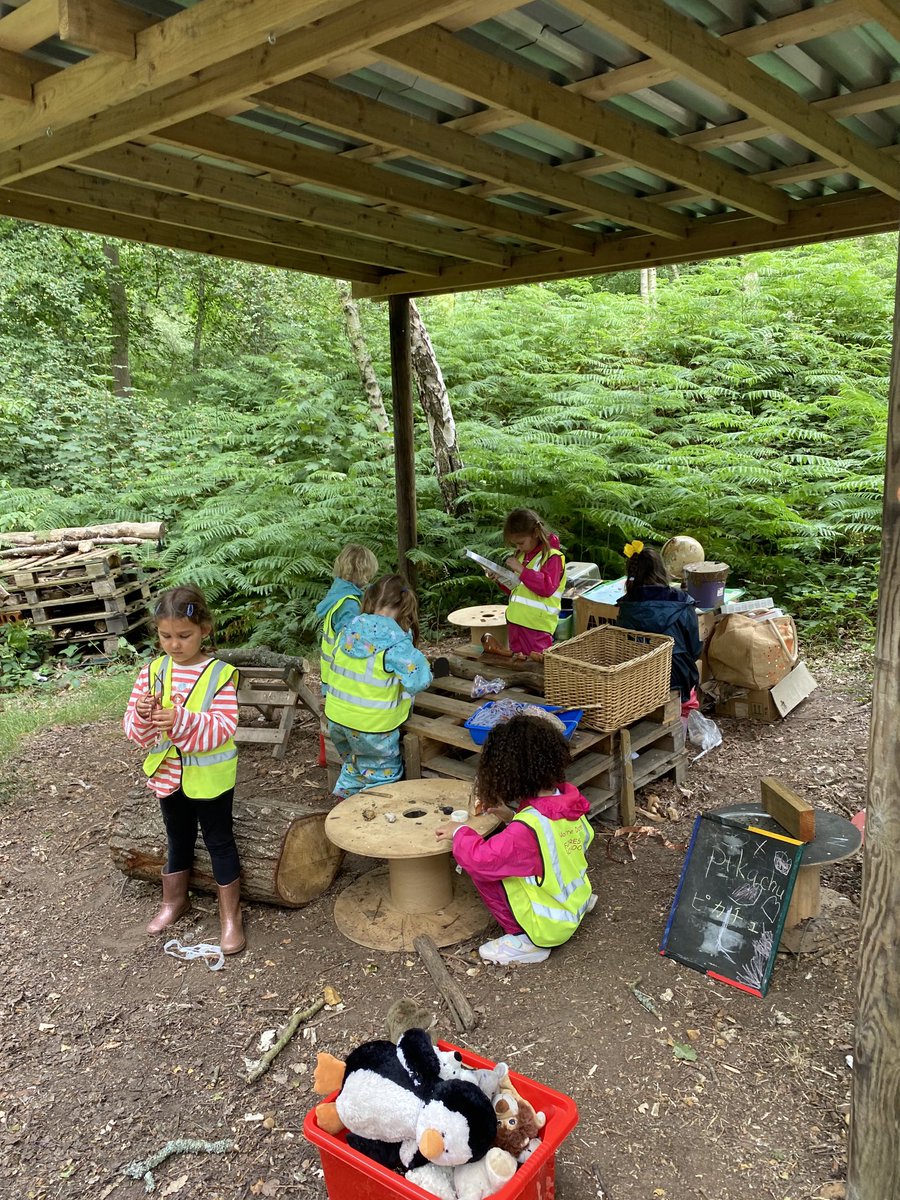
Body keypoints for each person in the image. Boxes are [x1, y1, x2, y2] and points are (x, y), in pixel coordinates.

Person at [123, 585, 245, 954]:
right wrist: (143, 716)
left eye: (184, 636)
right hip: (167, 775)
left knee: (219, 841)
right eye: (166, 636)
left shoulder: (220, 674)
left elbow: (224, 726)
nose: (174, 644)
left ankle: (230, 917)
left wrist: (181, 718)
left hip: (210, 778)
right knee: (177, 839)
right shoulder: (153, 672)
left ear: (204, 630)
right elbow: (133, 729)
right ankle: (174, 902)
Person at [435, 714, 594, 966]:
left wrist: (459, 832)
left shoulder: (526, 830)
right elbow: (556, 841)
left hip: (548, 928)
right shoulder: (568, 799)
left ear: (512, 774)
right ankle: (570, 911)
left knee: (485, 873)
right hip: (575, 902)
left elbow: (480, 860)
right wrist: (509, 815)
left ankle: (525, 940)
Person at [323, 573, 432, 798]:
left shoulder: (349, 628)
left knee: (356, 765)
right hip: (372, 727)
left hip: (337, 720)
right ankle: (371, 822)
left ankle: (342, 808)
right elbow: (419, 680)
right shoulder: (395, 642)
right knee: (382, 777)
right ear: (404, 606)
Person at [616, 541, 703, 714]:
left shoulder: (625, 606)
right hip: (677, 674)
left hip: (637, 677)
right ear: (662, 570)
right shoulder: (682, 601)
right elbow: (694, 650)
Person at [491, 508, 566, 656]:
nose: (518, 547)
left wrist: (522, 570)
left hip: (537, 627)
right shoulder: (521, 556)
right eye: (515, 545)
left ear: (535, 533)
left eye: (521, 543)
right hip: (515, 623)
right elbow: (517, 589)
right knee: (517, 666)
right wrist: (500, 579)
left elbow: (547, 588)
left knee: (537, 668)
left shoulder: (553, 557)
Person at [315, 543, 379, 699]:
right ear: (363, 571)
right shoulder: (348, 604)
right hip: (343, 681)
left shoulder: (337, 594)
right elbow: (350, 644)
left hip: (332, 675)